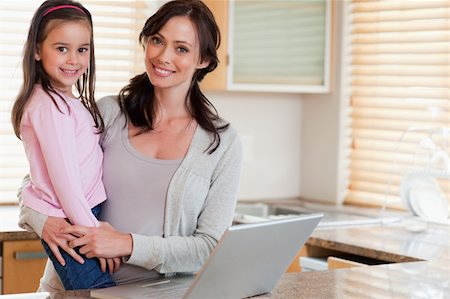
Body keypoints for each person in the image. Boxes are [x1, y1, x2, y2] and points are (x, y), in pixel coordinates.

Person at [18, 0, 243, 292]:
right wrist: (41, 219)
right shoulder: (109, 113)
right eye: (157, 40)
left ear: (203, 60)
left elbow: (209, 247)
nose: (163, 56)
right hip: (71, 291)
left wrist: (128, 244)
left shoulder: (221, 142)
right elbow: (41, 176)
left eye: (182, 48)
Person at [11, 0, 117, 290]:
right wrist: (94, 234)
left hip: (77, 217)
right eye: (62, 49)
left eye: (82, 49)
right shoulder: (48, 107)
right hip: (72, 221)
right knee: (97, 293)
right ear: (36, 50)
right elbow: (66, 182)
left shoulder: (65, 102)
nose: (74, 59)